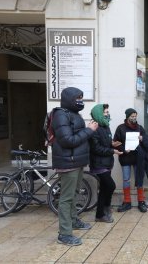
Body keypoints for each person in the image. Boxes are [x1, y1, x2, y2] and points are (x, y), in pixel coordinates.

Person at [52, 87, 98, 246]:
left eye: (82, 98)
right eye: (78, 98)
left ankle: (73, 220)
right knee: (66, 198)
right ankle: (64, 234)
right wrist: (89, 130)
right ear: (69, 99)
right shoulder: (60, 115)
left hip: (76, 161)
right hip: (68, 162)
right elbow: (67, 140)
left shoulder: (73, 113)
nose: (81, 101)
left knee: (75, 193)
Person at [89, 104, 122, 223]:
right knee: (111, 186)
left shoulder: (105, 126)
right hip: (99, 164)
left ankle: (100, 214)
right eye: (105, 113)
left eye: (108, 112)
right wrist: (112, 150)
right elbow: (96, 148)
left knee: (104, 188)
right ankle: (106, 208)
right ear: (98, 114)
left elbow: (105, 143)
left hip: (107, 162)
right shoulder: (94, 128)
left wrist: (112, 144)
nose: (108, 114)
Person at [113, 108, 148, 213]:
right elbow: (116, 142)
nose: (134, 118)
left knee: (139, 179)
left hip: (138, 158)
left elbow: (146, 141)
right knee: (126, 180)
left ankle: (141, 201)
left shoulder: (140, 128)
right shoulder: (120, 128)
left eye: (135, 116)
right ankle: (127, 202)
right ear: (127, 116)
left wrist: (142, 138)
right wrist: (124, 149)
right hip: (126, 157)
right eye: (132, 116)